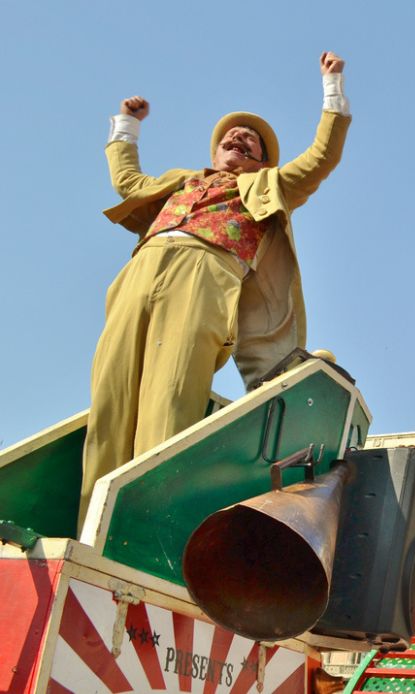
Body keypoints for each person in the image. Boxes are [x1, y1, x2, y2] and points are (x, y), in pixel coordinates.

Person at [79, 52, 352, 533]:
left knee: (170, 395)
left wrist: (332, 87)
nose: (238, 137)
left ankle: (143, 528)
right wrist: (127, 125)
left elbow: (320, 158)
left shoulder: (271, 185)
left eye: (251, 139)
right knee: (110, 397)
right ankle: (91, 527)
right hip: (142, 270)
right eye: (232, 134)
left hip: (206, 275)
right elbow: (127, 182)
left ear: (262, 161)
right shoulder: (179, 183)